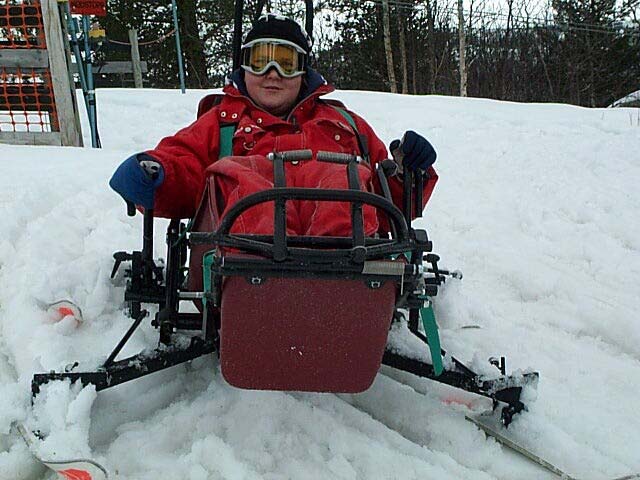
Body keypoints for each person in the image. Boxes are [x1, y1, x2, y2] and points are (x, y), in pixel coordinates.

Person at [110, 13, 438, 237]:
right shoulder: (223, 123)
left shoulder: (343, 124)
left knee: (343, 181)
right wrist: (155, 171)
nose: (271, 73)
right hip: (243, 271)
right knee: (247, 185)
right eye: (260, 61)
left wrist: (410, 171)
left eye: (285, 63)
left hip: (348, 271)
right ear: (243, 67)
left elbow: (388, 199)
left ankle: (338, 289)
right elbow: (185, 165)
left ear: (303, 71)